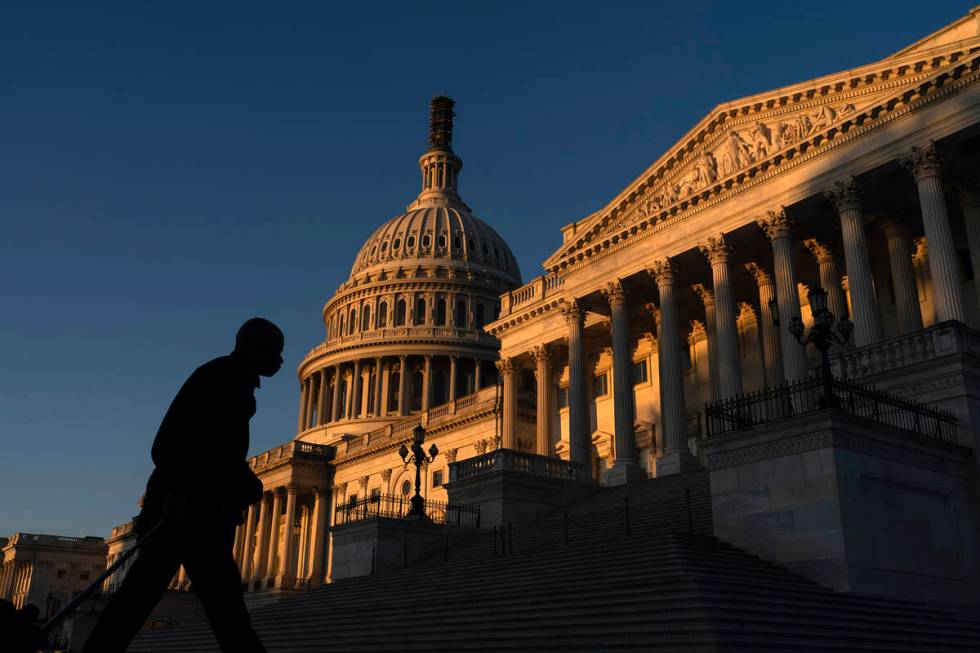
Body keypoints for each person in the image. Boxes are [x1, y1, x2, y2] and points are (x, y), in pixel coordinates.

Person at [81, 318, 284, 653]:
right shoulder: (222, 380)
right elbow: (172, 445)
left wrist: (242, 482)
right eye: (275, 351)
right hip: (187, 513)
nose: (280, 361)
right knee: (217, 612)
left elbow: (218, 454)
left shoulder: (232, 380)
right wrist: (181, 489)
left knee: (216, 611)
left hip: (199, 512)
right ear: (256, 348)